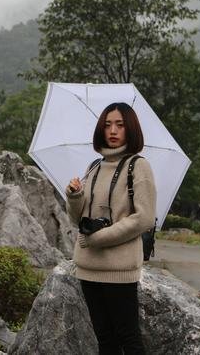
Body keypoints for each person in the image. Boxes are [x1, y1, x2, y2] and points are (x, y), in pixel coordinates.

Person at [65, 102, 156, 355]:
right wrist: (74, 196)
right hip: (88, 267)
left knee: (129, 339)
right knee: (105, 341)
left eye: (120, 125)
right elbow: (77, 219)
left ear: (131, 129)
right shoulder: (94, 167)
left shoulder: (138, 166)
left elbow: (144, 218)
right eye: (107, 125)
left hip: (119, 269)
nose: (112, 131)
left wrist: (98, 238)